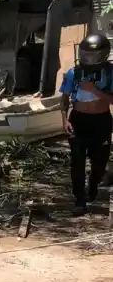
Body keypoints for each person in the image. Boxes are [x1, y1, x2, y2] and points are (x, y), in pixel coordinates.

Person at [59, 32, 113, 215]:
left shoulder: (110, 73)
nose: (87, 59)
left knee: (100, 162)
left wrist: (94, 90)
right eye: (84, 55)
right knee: (77, 162)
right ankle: (79, 201)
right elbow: (64, 99)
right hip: (78, 121)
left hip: (101, 121)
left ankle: (93, 186)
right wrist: (64, 119)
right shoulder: (73, 73)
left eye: (92, 56)